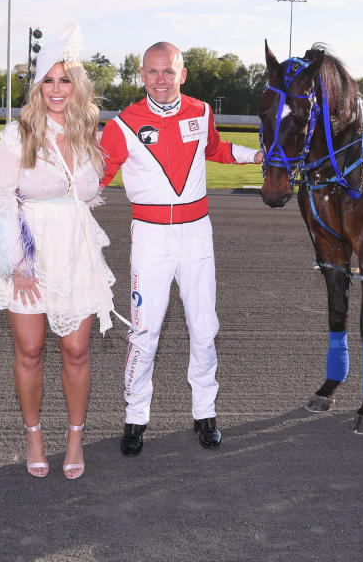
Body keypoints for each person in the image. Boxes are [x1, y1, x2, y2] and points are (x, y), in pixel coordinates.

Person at [100, 42, 264, 454]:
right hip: (150, 240)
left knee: (204, 329)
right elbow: (96, 176)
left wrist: (256, 155)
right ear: (141, 74)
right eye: (153, 72)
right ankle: (136, 417)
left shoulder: (201, 111)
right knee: (144, 333)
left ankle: (205, 413)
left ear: (183, 74)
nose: (160, 80)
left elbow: (215, 149)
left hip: (196, 236)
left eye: (168, 72)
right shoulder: (121, 125)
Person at [0, 23, 115, 479]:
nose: (57, 89)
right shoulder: (15, 136)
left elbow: (90, 191)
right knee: (30, 349)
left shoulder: (87, 132)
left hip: (75, 251)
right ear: (38, 86)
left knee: (77, 350)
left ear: (76, 85)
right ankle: (34, 434)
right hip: (29, 254)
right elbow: (1, 199)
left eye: (65, 80)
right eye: (49, 80)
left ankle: (75, 439)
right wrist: (15, 262)